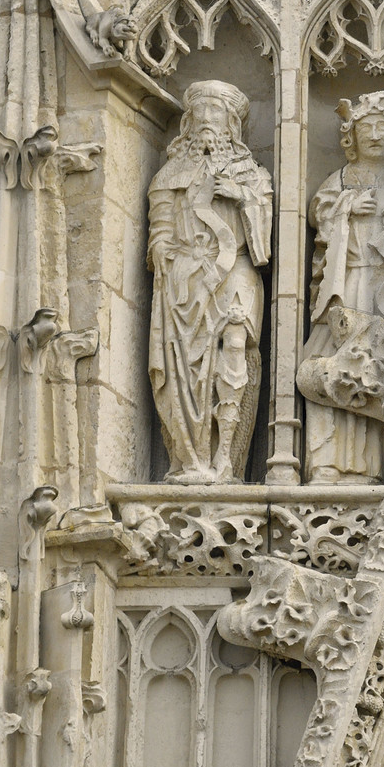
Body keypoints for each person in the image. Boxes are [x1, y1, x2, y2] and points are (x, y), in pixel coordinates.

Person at [302, 91, 384, 483]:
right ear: (351, 137)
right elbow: (318, 215)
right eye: (367, 128)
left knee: (374, 367)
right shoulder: (339, 180)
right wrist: (347, 208)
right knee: (331, 361)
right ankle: (325, 463)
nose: (375, 134)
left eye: (382, 127)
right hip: (345, 286)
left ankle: (366, 467)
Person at [148, 81, 273, 482]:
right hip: (186, 279)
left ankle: (226, 457)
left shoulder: (252, 175)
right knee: (186, 367)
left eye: (215, 111)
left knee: (235, 344)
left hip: (235, 268)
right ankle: (194, 458)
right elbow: (160, 225)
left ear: (231, 123)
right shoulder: (170, 174)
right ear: (187, 122)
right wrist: (162, 248)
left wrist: (241, 196)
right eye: (199, 112)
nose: (206, 119)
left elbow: (264, 242)